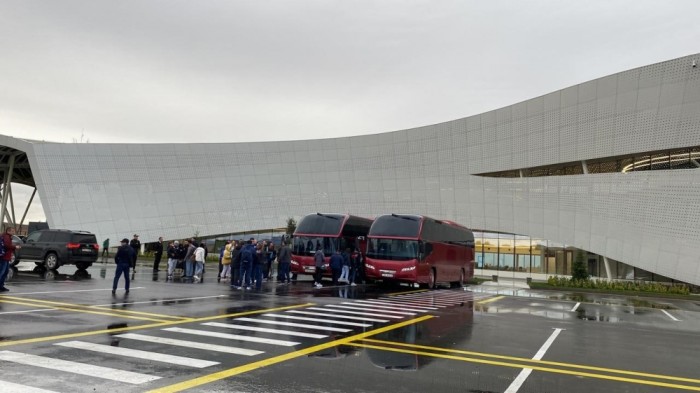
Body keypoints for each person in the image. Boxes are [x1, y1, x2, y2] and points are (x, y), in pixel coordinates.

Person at [0, 227, 21, 292]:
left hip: (5, 257)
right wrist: (15, 247)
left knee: (5, 272)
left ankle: (1, 286)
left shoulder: (6, 236)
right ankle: (0, 286)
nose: (13, 232)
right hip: (4, 257)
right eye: (12, 231)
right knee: (2, 272)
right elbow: (7, 245)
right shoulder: (6, 237)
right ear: (8, 231)